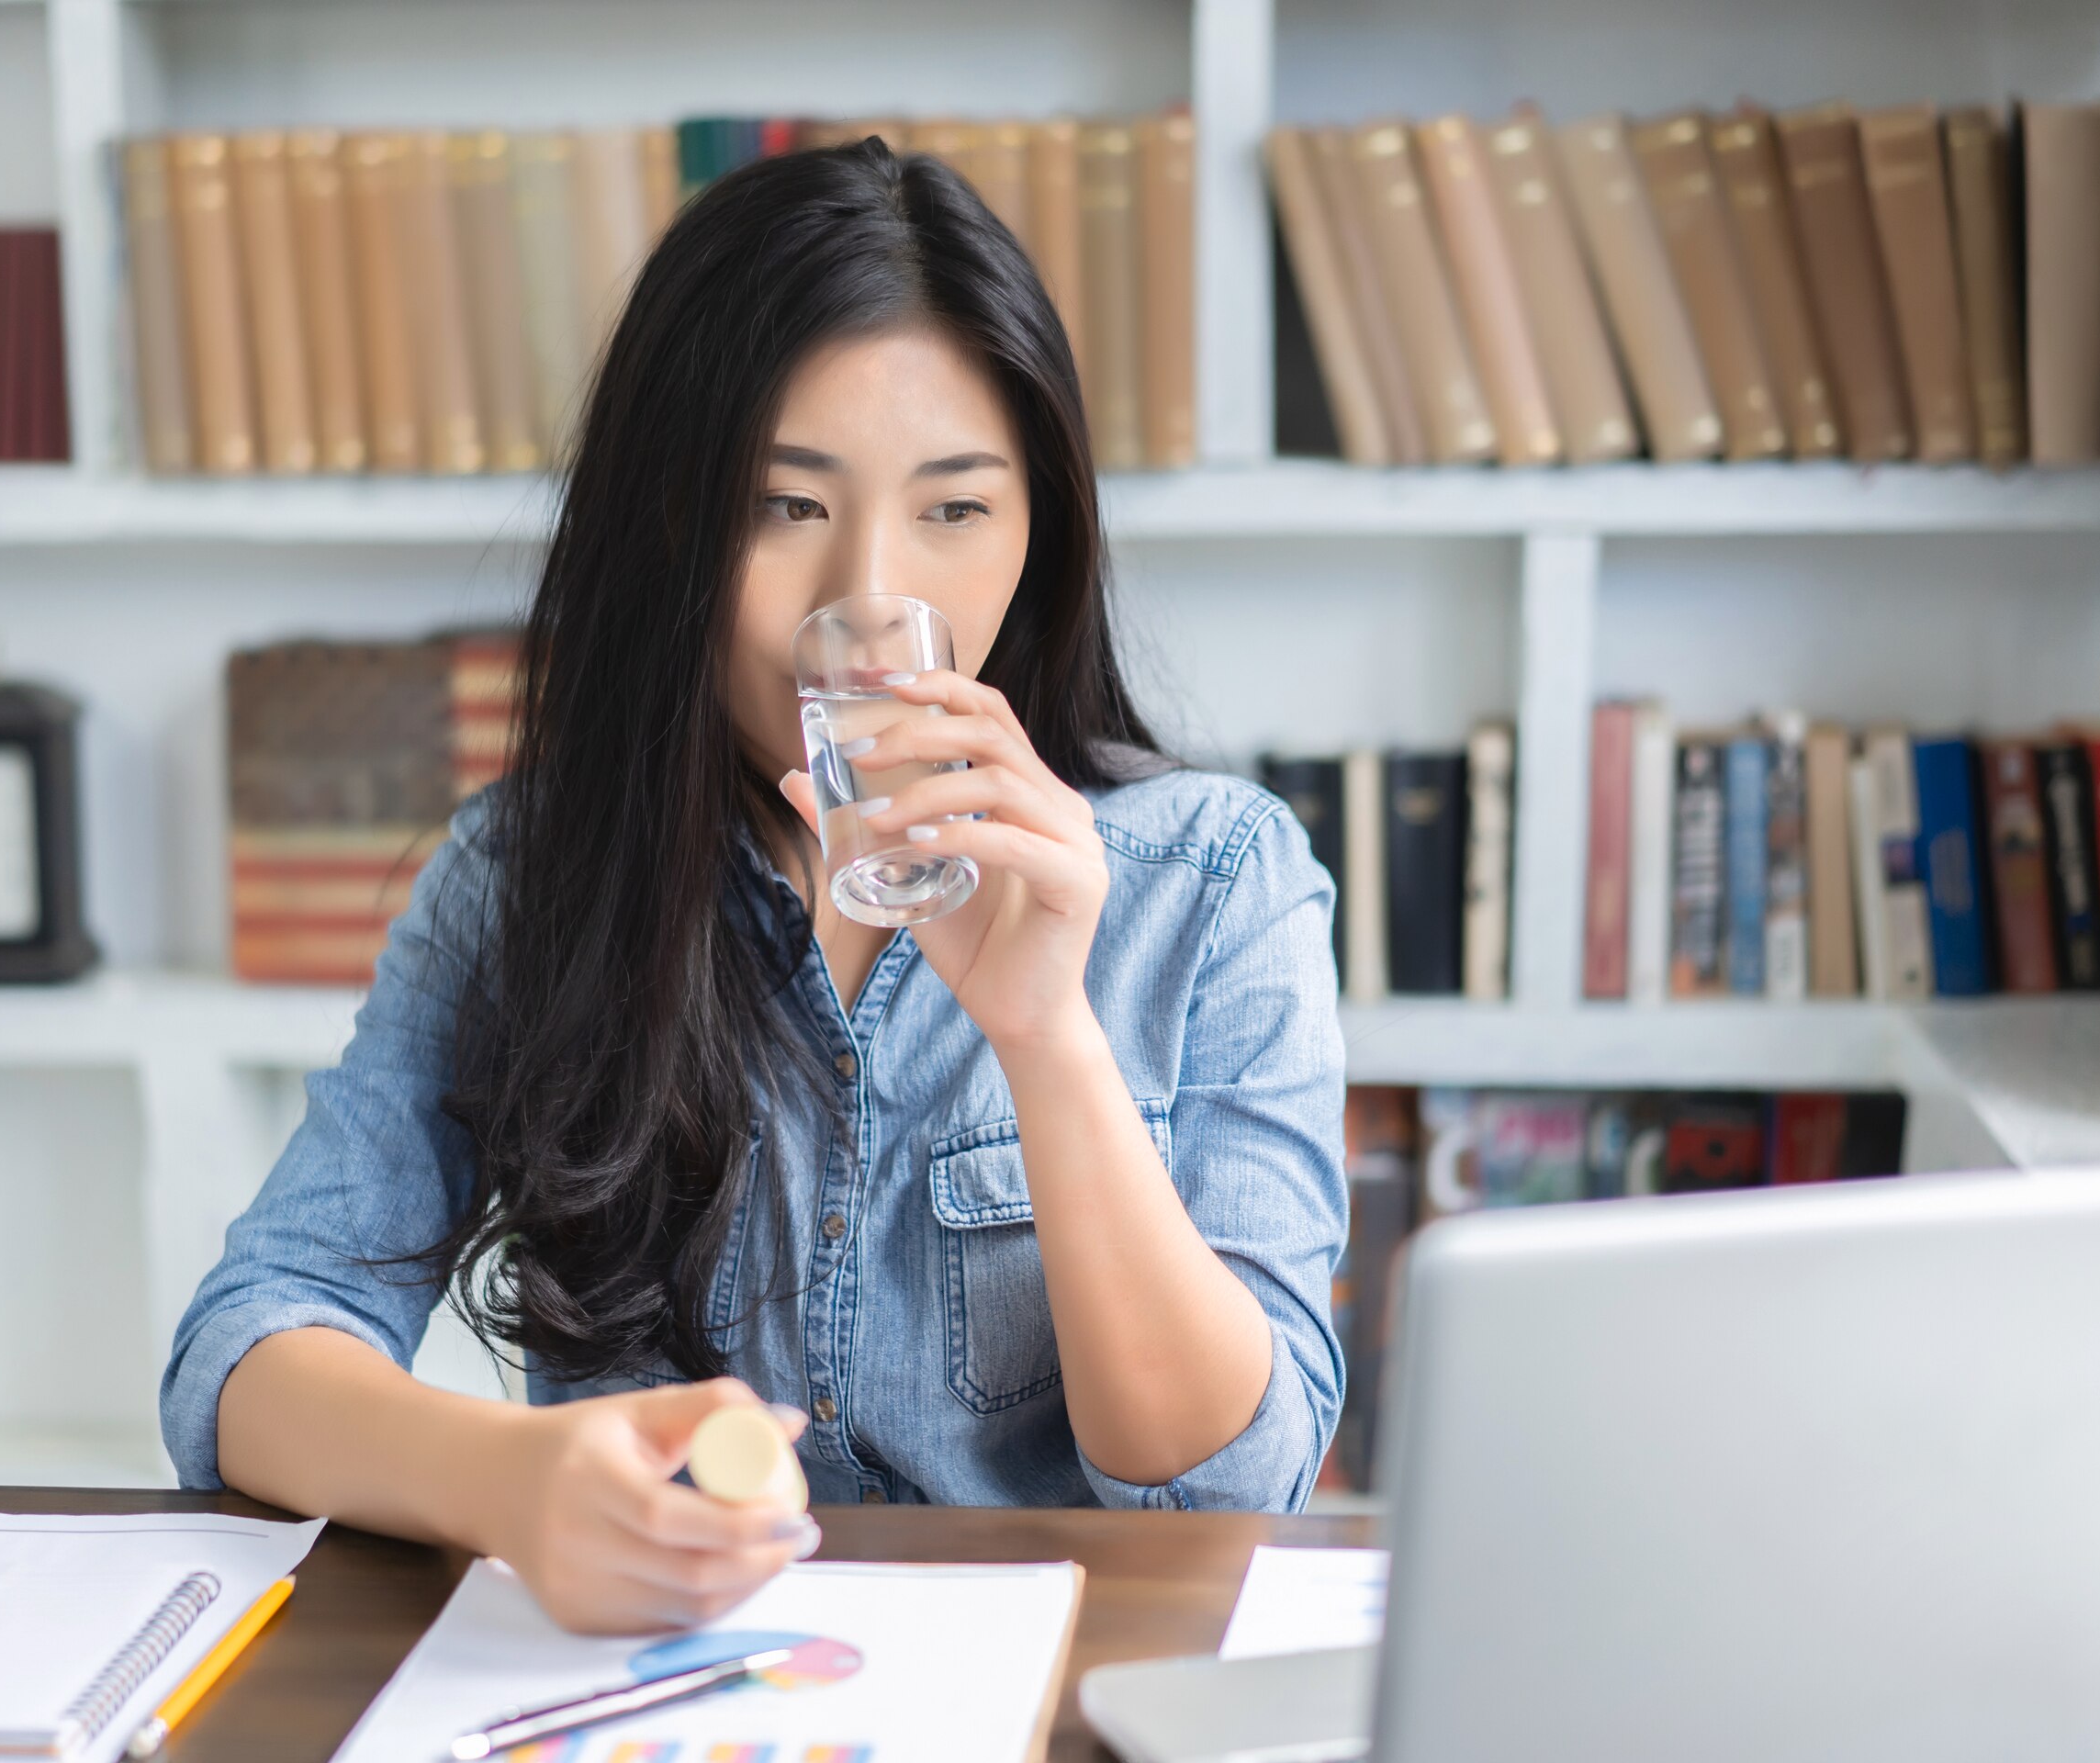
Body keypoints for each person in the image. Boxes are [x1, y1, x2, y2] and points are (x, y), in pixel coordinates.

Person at [163, 138, 1350, 1634]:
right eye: (788, 507)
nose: (869, 598)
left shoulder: (1217, 883)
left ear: (1039, 536)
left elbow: (1230, 1491)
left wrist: (1050, 1039)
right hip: (660, 1696)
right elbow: (247, 1345)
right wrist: (513, 1479)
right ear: (671, 522)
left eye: (956, 510)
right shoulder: (532, 874)